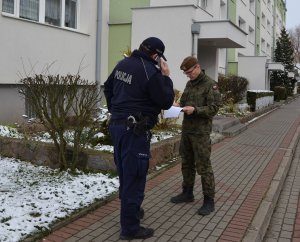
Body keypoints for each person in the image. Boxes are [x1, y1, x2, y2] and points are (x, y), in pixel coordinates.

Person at [104, 37, 174, 240]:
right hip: (135, 131)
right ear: (156, 55)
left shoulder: (122, 65)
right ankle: (130, 229)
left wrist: (116, 111)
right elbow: (166, 101)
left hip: (117, 127)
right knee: (134, 178)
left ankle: (131, 212)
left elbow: (108, 88)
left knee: (126, 174)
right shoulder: (151, 72)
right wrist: (166, 77)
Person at [170, 56, 221, 216]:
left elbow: (214, 108)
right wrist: (177, 106)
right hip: (187, 131)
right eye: (186, 73)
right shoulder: (189, 84)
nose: (188, 75)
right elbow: (184, 102)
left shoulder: (210, 85)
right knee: (186, 163)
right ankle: (187, 193)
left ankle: (209, 200)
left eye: (190, 72)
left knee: (203, 166)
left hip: (201, 133)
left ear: (198, 67)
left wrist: (196, 110)